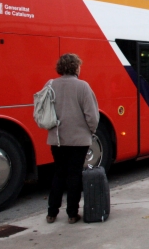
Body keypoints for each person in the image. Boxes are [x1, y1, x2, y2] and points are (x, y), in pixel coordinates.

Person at [46, 53, 99, 224]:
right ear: (76, 67)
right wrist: (91, 130)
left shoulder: (51, 85)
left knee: (59, 174)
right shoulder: (82, 86)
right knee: (74, 175)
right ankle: (72, 214)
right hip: (78, 140)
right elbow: (92, 116)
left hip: (57, 139)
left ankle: (51, 213)